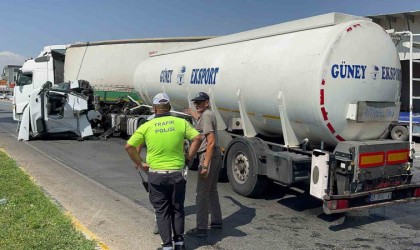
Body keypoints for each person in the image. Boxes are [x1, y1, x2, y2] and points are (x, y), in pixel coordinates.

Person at [125, 93, 201, 250]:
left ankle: (167, 246)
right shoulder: (181, 123)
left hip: (156, 176)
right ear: (170, 107)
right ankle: (179, 243)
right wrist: (189, 157)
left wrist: (140, 163)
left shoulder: (146, 126)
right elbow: (198, 138)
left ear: (154, 109)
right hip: (177, 174)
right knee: (177, 208)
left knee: (162, 211)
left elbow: (129, 147)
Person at [185, 92, 223, 237]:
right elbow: (202, 122)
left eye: (200, 102)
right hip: (215, 155)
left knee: (201, 193)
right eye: (196, 103)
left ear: (207, 103)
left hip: (208, 156)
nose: (197, 104)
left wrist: (205, 164)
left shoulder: (206, 116)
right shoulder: (208, 114)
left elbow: (211, 141)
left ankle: (201, 229)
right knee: (212, 190)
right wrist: (193, 114)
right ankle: (216, 221)